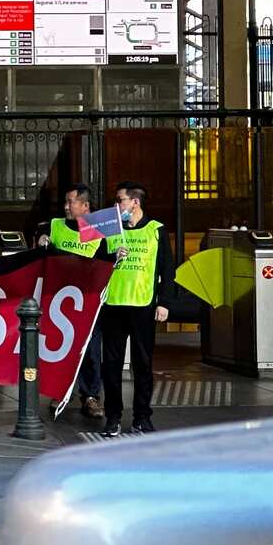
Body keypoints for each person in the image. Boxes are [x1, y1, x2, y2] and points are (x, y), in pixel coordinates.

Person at [100, 181, 174, 438]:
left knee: (143, 364)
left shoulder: (156, 230)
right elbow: (96, 261)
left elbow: (167, 268)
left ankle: (142, 417)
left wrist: (164, 302)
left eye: (120, 200)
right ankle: (112, 417)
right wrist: (112, 257)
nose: (116, 205)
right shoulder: (112, 230)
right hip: (114, 304)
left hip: (143, 305)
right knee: (111, 365)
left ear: (135, 202)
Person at [39, 183, 110, 421]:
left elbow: (105, 263)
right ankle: (60, 392)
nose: (66, 207)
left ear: (85, 205)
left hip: (88, 301)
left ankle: (90, 396)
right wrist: (42, 242)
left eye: (71, 202)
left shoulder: (98, 230)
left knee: (90, 350)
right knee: (62, 348)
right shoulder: (55, 226)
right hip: (60, 301)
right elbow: (43, 259)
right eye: (66, 202)